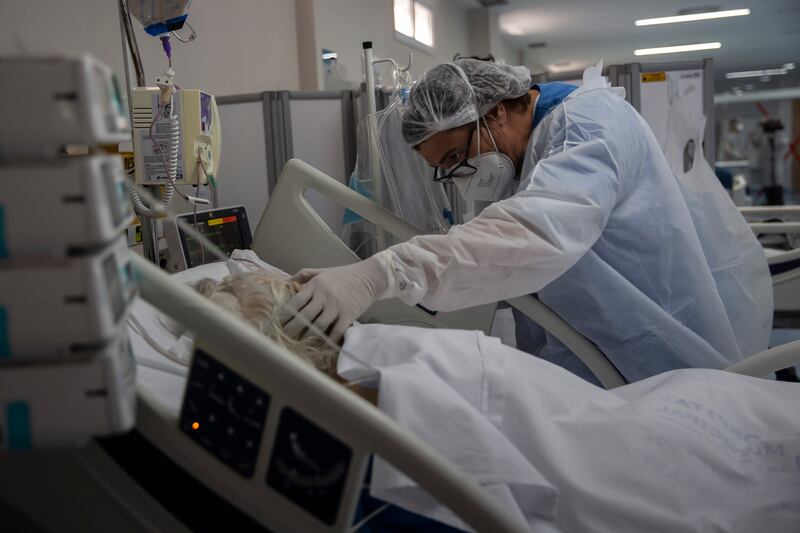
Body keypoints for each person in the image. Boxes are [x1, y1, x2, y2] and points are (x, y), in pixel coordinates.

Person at [284, 59, 773, 385]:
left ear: (495, 113)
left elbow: (536, 234)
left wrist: (382, 274)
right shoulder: (527, 155)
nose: (459, 175)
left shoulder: (588, 127)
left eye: (457, 155)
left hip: (667, 364)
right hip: (605, 368)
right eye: (445, 169)